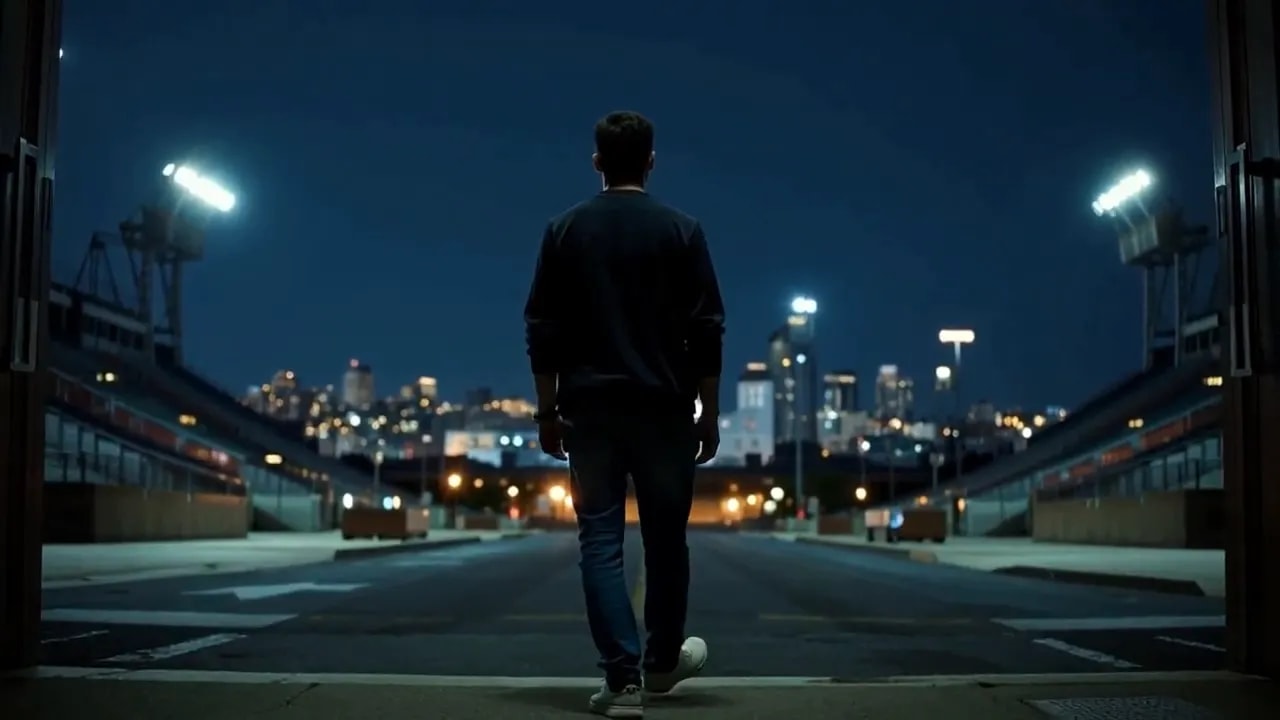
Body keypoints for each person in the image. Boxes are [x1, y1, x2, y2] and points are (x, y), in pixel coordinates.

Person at [523, 110, 725, 718]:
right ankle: (662, 663)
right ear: (652, 161)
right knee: (667, 542)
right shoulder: (682, 230)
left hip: (590, 412)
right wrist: (708, 415)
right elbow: (707, 329)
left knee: (601, 543)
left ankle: (622, 681)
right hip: (664, 411)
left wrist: (547, 412)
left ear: (596, 163)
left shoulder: (564, 229)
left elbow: (542, 329)